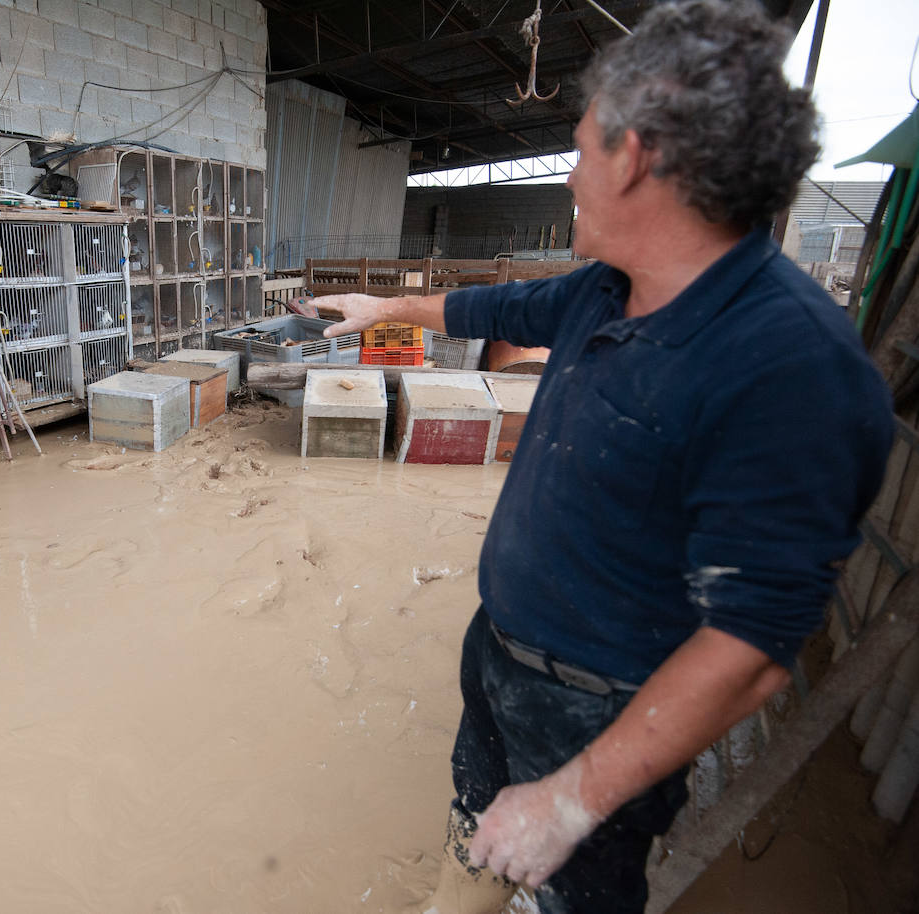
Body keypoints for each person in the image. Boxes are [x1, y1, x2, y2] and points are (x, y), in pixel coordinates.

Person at [314, 2, 895, 912]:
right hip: (502, 652)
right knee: (474, 828)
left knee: (569, 893)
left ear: (638, 158)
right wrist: (374, 307)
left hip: (602, 711)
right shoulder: (606, 290)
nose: (572, 179)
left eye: (582, 151)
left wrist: (571, 798)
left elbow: (751, 649)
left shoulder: (792, 368)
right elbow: (492, 311)